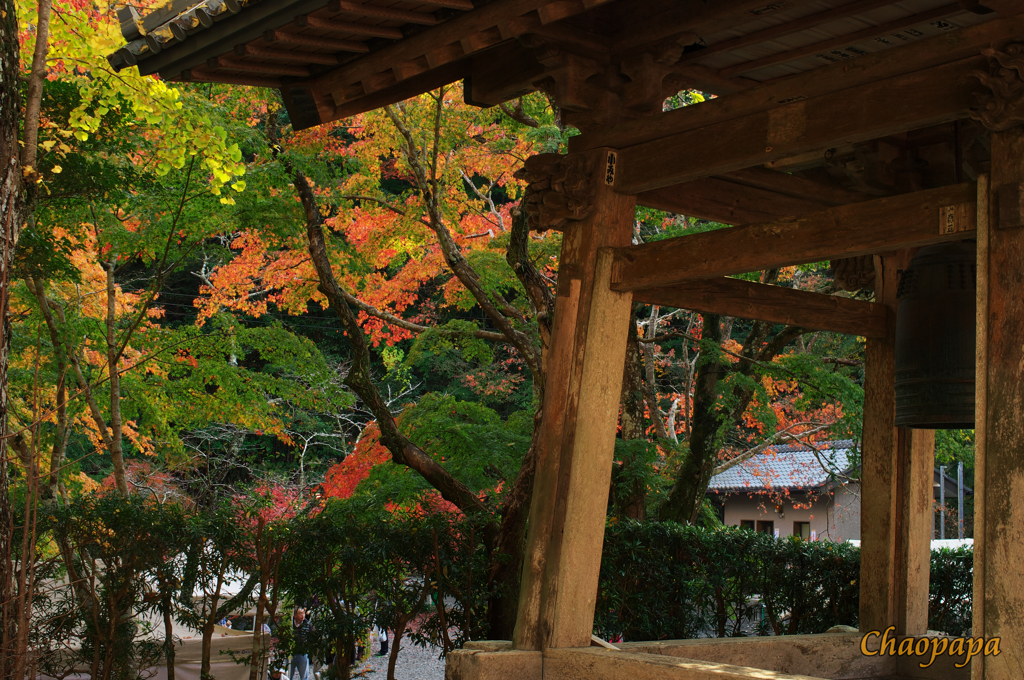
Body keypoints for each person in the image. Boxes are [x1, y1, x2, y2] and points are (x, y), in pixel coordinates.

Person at [288, 608, 311, 680]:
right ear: (295, 615)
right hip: (291, 654)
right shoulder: (290, 624)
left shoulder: (307, 624)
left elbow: (312, 636)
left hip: (302, 654)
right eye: (300, 613)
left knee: (304, 676)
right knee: (288, 676)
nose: (302, 615)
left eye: (303, 613)